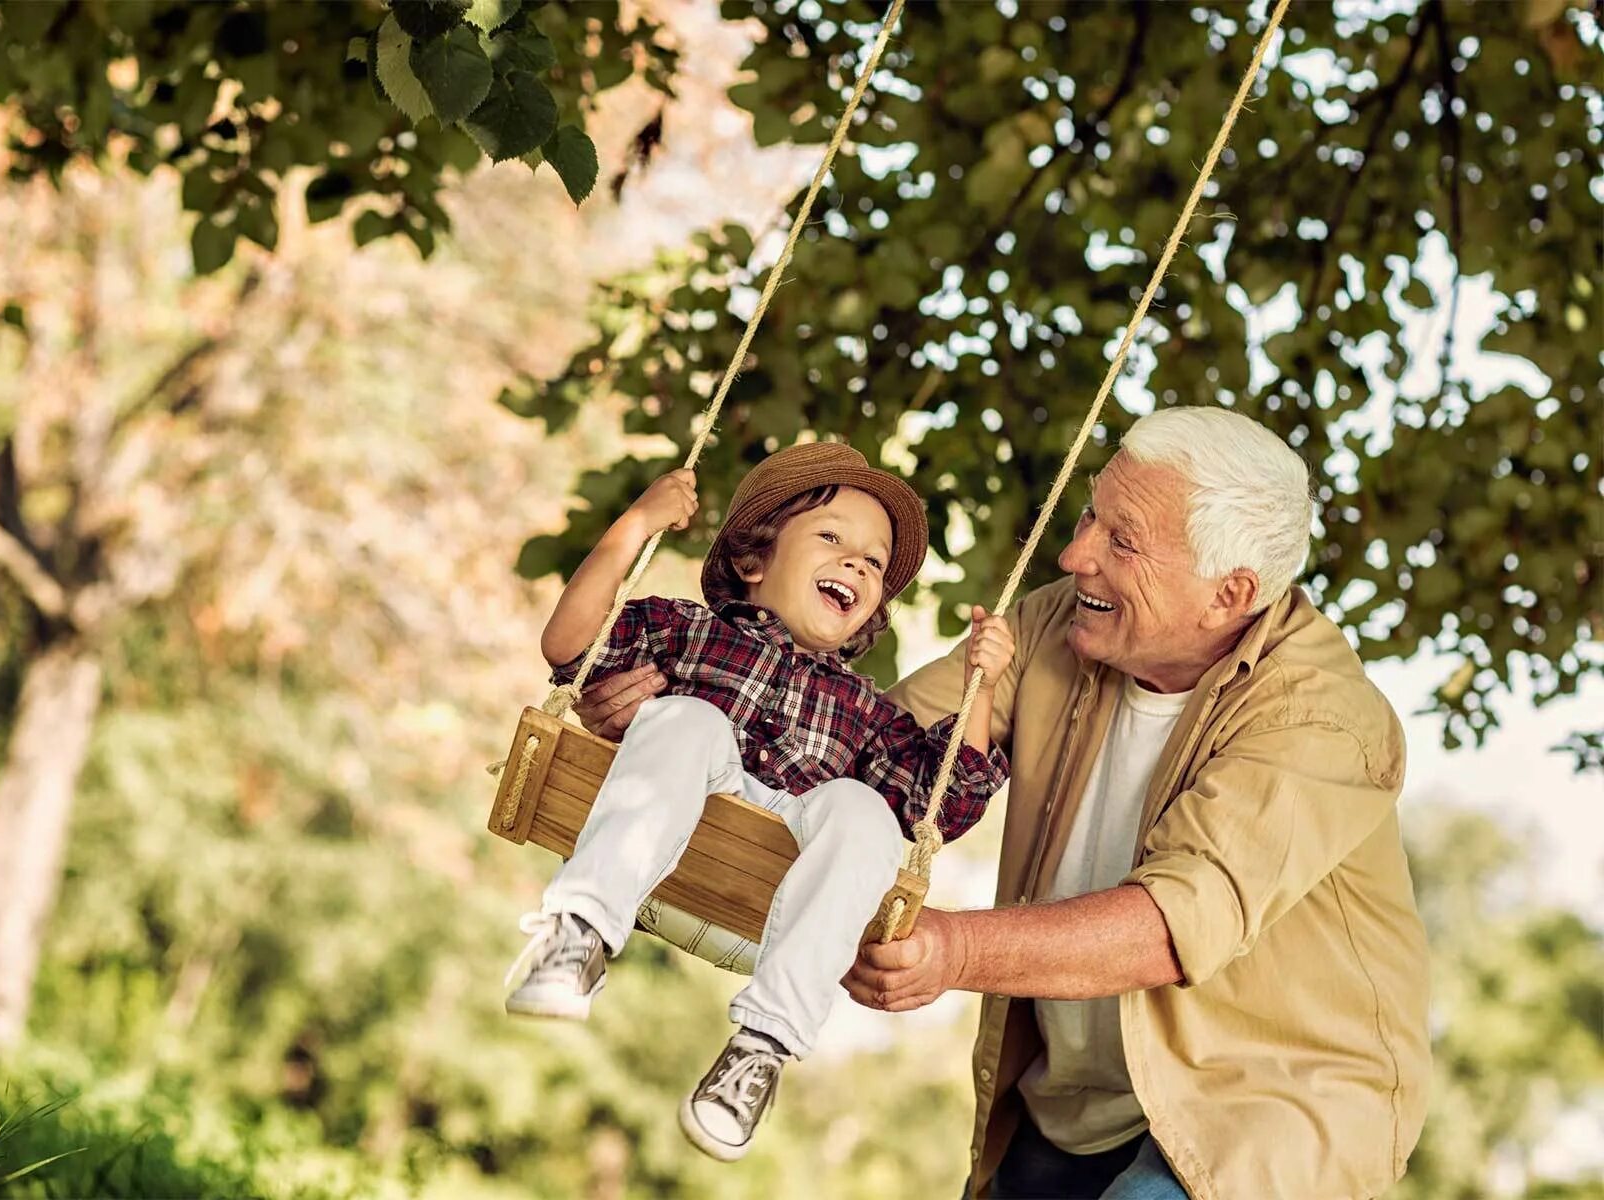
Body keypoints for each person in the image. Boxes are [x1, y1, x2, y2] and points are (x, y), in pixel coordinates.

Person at [569, 408, 1432, 1199]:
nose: (1075, 554)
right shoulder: (1066, 621)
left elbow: (1171, 924)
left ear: (1230, 593)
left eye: (1120, 539)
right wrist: (680, 724)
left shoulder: (1321, 720)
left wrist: (949, 948)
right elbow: (862, 754)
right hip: (1068, 1097)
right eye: (1090, 514)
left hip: (1259, 1108)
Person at [504, 441, 1015, 1162]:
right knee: (689, 720)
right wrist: (635, 526)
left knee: (866, 812)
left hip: (776, 891)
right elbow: (570, 646)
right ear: (753, 562)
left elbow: (943, 807)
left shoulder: (865, 711)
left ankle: (760, 1049)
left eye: (873, 562)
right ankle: (577, 937)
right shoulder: (684, 630)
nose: (858, 565)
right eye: (833, 539)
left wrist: (982, 688)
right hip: (666, 836)